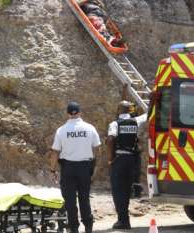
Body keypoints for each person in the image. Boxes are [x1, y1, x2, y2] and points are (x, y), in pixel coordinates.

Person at [50, 102, 101, 233]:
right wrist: (95, 167)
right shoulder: (90, 128)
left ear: (68, 114)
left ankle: (74, 228)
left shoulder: (61, 130)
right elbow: (97, 149)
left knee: (70, 201)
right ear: (80, 112)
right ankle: (88, 226)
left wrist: (53, 170)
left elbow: (55, 152)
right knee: (84, 198)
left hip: (68, 168)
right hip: (85, 167)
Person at [107, 100, 148, 230]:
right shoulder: (136, 121)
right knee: (126, 189)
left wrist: (110, 159)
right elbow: (148, 114)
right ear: (130, 110)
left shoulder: (114, 124)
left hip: (119, 159)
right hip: (131, 160)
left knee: (118, 190)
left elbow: (110, 139)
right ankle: (125, 220)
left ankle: (123, 220)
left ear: (119, 110)